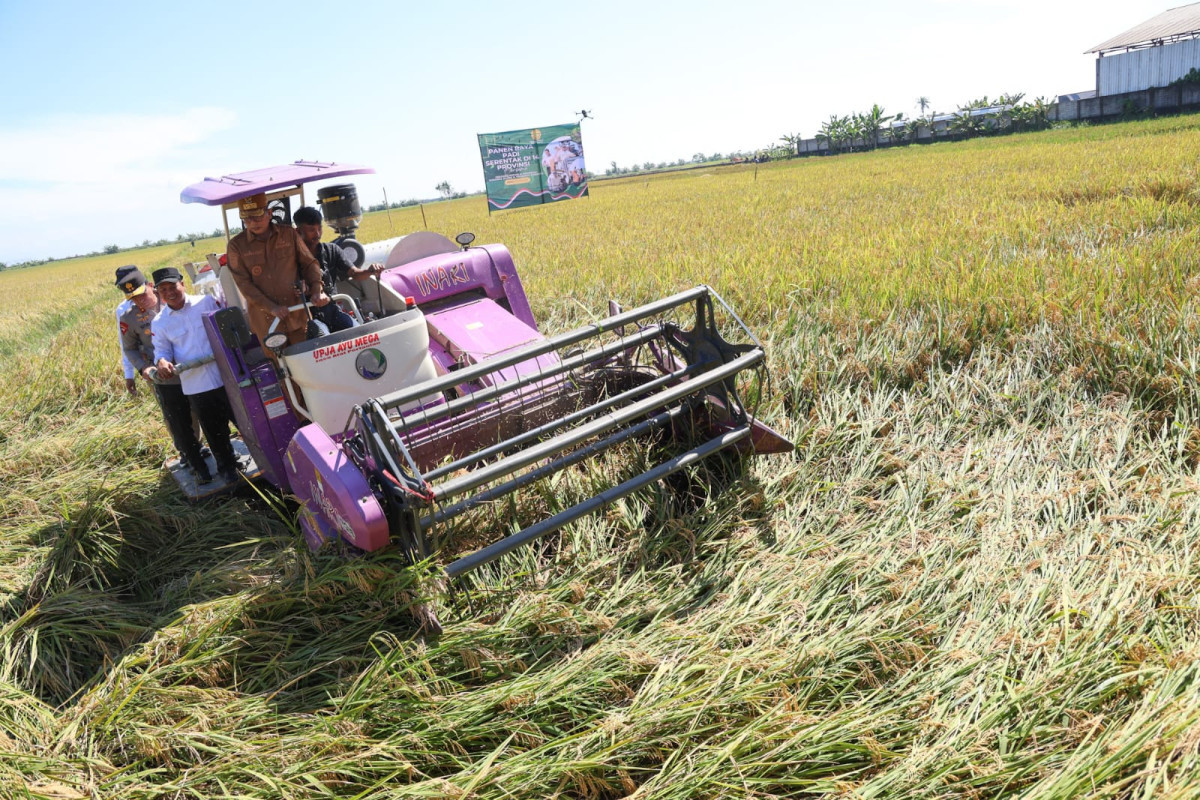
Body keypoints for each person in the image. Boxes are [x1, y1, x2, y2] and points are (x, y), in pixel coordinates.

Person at [148, 267, 240, 485]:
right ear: (158, 293)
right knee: (215, 432)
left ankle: (266, 460)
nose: (170, 292)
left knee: (245, 423)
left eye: (173, 286)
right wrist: (161, 361)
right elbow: (161, 351)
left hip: (226, 377)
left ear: (183, 284)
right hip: (196, 385)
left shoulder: (206, 302)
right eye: (164, 289)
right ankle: (227, 469)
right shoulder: (160, 322)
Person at [114, 265, 205, 471]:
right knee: (173, 415)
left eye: (142, 294)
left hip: (191, 366)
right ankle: (186, 451)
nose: (140, 301)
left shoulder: (172, 297)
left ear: (150, 286)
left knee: (196, 408)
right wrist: (143, 368)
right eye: (134, 298)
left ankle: (198, 446)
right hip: (163, 375)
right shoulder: (129, 317)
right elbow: (129, 348)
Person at [224, 192, 330, 347]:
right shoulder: (236, 246)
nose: (253, 222)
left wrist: (317, 289)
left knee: (308, 359)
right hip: (267, 325)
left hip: (298, 316)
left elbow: (309, 263)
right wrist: (271, 307)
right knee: (280, 367)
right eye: (247, 218)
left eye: (257, 215)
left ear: (269, 213)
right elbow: (244, 284)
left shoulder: (288, 234)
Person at [293, 205, 382, 331]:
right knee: (320, 335)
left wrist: (370, 271)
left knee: (359, 332)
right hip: (306, 318)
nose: (317, 234)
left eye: (319, 228)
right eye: (311, 230)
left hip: (333, 311)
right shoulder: (291, 259)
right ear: (298, 231)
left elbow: (355, 273)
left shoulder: (332, 250)